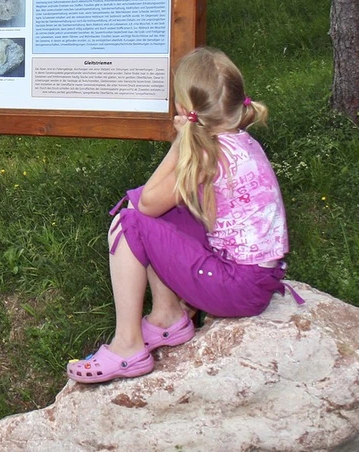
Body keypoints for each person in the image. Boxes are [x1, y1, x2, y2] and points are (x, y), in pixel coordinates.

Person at [66, 47, 302, 384]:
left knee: (129, 221)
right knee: (146, 207)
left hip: (236, 289)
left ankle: (128, 346)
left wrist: (180, 142)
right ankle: (166, 317)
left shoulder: (207, 156)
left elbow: (148, 204)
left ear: (184, 110)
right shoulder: (242, 140)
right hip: (256, 281)